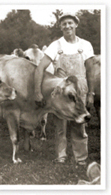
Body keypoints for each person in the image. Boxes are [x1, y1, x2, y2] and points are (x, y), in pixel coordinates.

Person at [34, 13, 96, 166]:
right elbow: (40, 68)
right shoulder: (56, 45)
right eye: (64, 24)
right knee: (60, 126)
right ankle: (61, 156)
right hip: (61, 91)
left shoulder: (85, 45)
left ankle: (80, 158)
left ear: (76, 25)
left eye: (70, 23)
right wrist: (37, 91)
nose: (67, 26)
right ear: (60, 27)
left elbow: (90, 71)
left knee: (79, 124)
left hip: (80, 90)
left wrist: (91, 93)